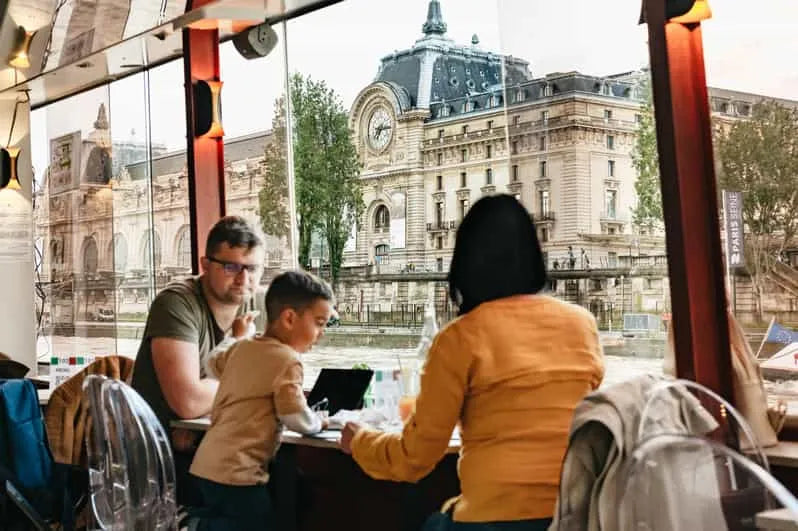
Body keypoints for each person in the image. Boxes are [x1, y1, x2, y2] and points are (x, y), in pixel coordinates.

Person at [340, 195, 604, 530]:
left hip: (495, 518)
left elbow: (415, 458)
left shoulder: (460, 338)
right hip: (576, 515)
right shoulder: (582, 324)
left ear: (464, 263)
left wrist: (360, 440)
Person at [184, 271, 334, 530]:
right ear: (289, 318)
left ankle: (194, 522)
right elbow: (294, 415)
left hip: (206, 464)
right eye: (319, 322)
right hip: (238, 471)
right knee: (258, 523)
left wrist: (237, 336)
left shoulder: (244, 347)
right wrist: (318, 423)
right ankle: (192, 525)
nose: (321, 333)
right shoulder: (288, 359)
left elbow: (211, 364)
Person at [131, 216, 264, 503]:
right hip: (161, 461)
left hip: (208, 445)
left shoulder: (257, 306)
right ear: (205, 265)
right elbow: (188, 401)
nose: (243, 279)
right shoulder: (177, 304)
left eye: (252, 268)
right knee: (263, 496)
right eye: (231, 267)